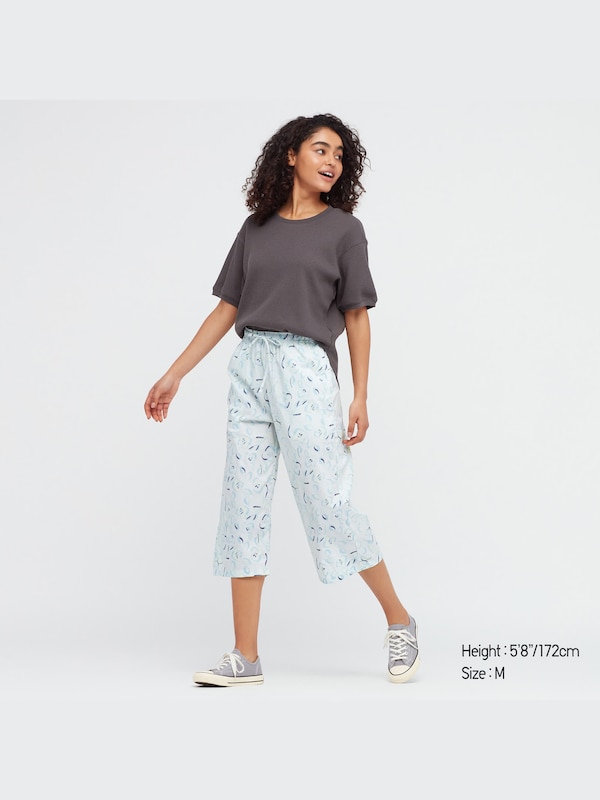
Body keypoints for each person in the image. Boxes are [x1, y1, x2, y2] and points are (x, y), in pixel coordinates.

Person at [144, 113, 419, 685]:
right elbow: (228, 308)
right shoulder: (256, 228)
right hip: (250, 367)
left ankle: (399, 620)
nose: (332, 161)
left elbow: (357, 314)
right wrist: (175, 374)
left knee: (329, 504)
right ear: (290, 155)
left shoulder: (344, 230)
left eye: (339, 155)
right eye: (321, 149)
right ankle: (245, 655)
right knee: (242, 506)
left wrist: (360, 394)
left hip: (305, 371)